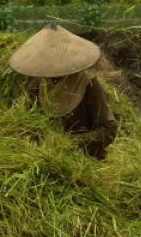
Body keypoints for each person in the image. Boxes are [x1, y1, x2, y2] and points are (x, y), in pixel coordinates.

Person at [9, 24, 117, 160]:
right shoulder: (37, 86)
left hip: (85, 161)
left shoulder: (88, 85)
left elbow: (108, 130)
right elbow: (29, 124)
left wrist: (72, 142)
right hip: (47, 158)